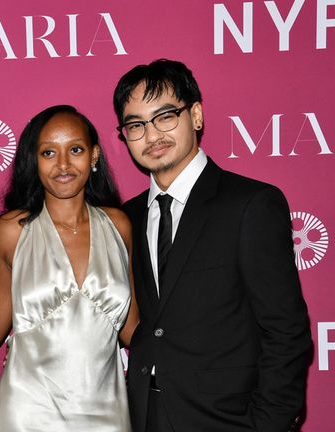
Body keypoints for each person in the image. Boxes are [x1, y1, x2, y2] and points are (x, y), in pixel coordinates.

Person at [114, 59, 312, 432]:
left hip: (229, 418)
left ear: (197, 115)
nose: (152, 135)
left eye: (166, 116)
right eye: (136, 125)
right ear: (124, 135)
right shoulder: (127, 217)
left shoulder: (250, 204)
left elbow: (286, 329)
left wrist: (269, 422)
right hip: (145, 416)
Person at [0, 105, 137, 431]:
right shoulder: (13, 231)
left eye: (76, 150)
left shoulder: (119, 225)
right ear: (34, 161)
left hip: (107, 414)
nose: (64, 164)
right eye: (49, 152)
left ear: (94, 156)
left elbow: (131, 330)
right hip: (28, 414)